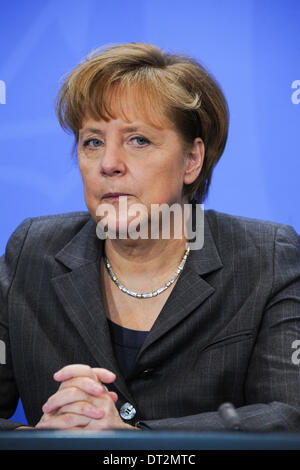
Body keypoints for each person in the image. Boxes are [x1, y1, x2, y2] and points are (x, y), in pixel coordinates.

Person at [1, 42, 300, 432]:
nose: (108, 164)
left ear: (192, 160)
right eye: (92, 141)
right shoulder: (31, 251)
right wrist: (39, 438)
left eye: (138, 140)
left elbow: (288, 414)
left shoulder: (266, 259)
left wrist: (136, 440)